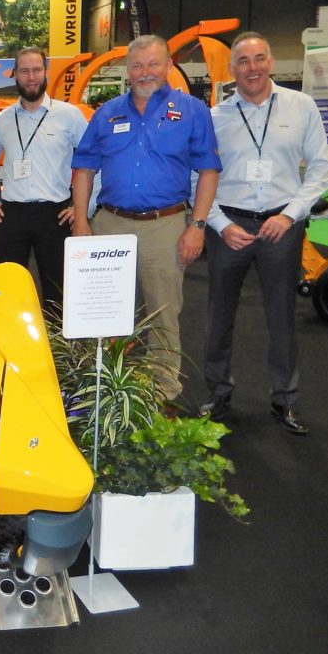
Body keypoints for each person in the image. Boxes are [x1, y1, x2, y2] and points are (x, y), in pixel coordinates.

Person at [71, 34, 220, 409]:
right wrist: (81, 222)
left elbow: (208, 170)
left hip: (165, 226)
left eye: (153, 64)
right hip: (109, 224)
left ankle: (161, 396)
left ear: (169, 66)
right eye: (137, 66)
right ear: (127, 71)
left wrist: (197, 225)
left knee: (163, 312)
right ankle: (102, 390)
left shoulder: (191, 111)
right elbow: (84, 167)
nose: (145, 72)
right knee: (102, 313)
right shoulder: (107, 113)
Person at [201, 31, 328, 435]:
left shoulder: (302, 106)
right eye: (243, 61)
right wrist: (221, 225)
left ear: (271, 61)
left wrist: (290, 215)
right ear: (232, 68)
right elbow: (197, 178)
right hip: (229, 228)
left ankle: (284, 400)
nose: (252, 67)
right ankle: (218, 394)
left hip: (282, 226)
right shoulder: (215, 117)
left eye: (259, 58)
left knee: (282, 318)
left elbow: (321, 169)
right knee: (218, 317)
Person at [0, 47, 89, 312]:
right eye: (24, 71)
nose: (31, 77)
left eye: (36, 70)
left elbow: (93, 163)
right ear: (15, 75)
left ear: (46, 72)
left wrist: (82, 208)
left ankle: (57, 353)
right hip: (11, 215)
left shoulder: (69, 116)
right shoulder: (2, 120)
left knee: (57, 292)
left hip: (56, 214)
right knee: (6, 291)